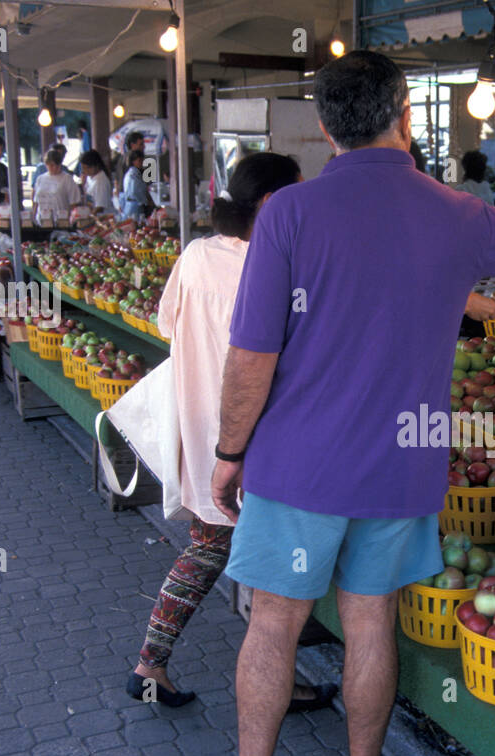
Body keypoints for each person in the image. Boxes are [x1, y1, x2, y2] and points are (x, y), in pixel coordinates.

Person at [209, 49, 495, 756]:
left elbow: (251, 356)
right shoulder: (455, 212)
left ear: (324, 127)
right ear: (406, 115)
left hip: (297, 466)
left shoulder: (287, 213)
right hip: (399, 465)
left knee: (274, 626)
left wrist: (228, 451)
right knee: (370, 623)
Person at [129, 151, 336, 714]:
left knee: (211, 547)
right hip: (255, 441)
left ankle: (152, 661)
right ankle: (267, 682)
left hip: (203, 432)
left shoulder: (196, 254)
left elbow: (165, 322)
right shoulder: (278, 269)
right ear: (271, 203)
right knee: (263, 569)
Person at [32, 147, 82, 225]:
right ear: (46, 164)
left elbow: (73, 203)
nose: (54, 168)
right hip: (42, 220)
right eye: (51, 165)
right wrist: (33, 218)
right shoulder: (40, 179)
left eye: (57, 165)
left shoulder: (67, 179)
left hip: (61, 221)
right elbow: (36, 201)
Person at [120, 149, 152, 219]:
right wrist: (146, 201)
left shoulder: (132, 173)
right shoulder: (133, 175)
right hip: (134, 206)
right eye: (139, 161)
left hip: (130, 206)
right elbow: (135, 191)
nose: (141, 163)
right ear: (133, 161)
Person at [78, 149, 113, 213]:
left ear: (96, 166)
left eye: (87, 168)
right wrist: (83, 184)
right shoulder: (90, 176)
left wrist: (89, 217)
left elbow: (100, 207)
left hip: (103, 217)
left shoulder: (101, 182)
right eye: (83, 168)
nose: (84, 170)